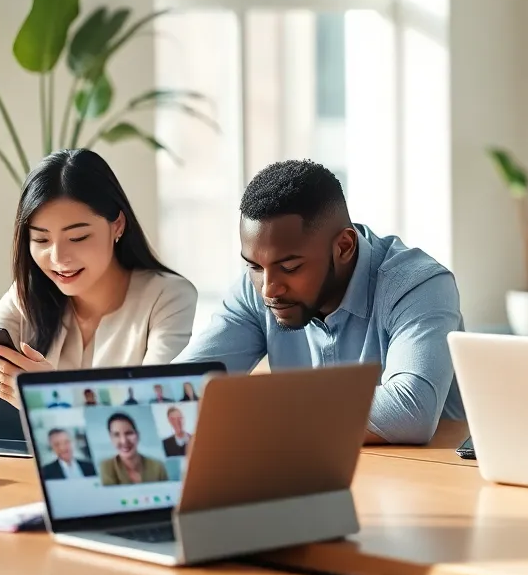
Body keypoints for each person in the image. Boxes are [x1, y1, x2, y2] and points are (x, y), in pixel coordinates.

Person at [0, 149, 198, 429]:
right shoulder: (25, 295)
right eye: (40, 240)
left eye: (77, 238)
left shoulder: (168, 297)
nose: (58, 258)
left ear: (117, 225)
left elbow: (158, 413)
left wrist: (53, 396)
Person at [174, 159, 465, 445]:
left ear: (344, 247)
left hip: (429, 479)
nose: (269, 289)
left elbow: (410, 410)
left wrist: (258, 408)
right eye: (254, 267)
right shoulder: (257, 291)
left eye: (290, 267)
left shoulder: (418, 285)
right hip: (315, 476)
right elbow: (173, 390)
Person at [99, 413, 169, 485]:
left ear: (138, 435)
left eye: (129, 433)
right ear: (111, 439)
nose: (124, 441)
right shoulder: (106, 467)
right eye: (116, 435)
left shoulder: (157, 467)